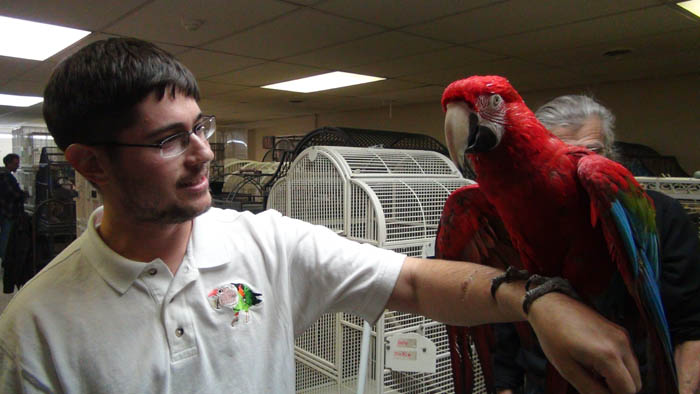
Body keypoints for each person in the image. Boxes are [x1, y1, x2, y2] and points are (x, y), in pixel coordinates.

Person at [0, 38, 641, 393]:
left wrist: (536, 302)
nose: (203, 154)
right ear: (90, 166)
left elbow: (416, 281)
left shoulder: (267, 243)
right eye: (168, 141)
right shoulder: (37, 327)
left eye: (201, 128)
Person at [493, 95, 700, 394]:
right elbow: (507, 328)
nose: (578, 163)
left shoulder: (660, 214)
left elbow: (690, 327)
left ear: (611, 154)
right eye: (561, 151)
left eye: (592, 151)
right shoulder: (522, 220)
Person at [0, 153, 25, 266]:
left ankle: (5, 259)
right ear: (8, 163)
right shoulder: (5, 176)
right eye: (15, 163)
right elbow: (13, 194)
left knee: (5, 236)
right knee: (7, 237)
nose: (17, 166)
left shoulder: (4, 174)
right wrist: (23, 194)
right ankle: (6, 260)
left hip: (5, 211)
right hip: (8, 212)